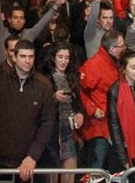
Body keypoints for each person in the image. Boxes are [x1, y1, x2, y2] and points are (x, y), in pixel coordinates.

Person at [0, 25, 56, 181]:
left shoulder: (44, 86)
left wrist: (32, 156)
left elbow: (47, 123)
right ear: (14, 57)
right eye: (23, 56)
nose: (27, 61)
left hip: (28, 162)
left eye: (31, 56)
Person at [79, 29, 125, 170]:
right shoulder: (94, 65)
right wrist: (92, 109)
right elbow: (79, 89)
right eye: (121, 45)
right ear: (112, 49)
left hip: (113, 125)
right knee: (96, 172)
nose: (124, 48)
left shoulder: (115, 62)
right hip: (99, 128)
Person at [40, 41, 84, 183]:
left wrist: (79, 113)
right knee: (51, 176)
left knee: (70, 175)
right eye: (60, 57)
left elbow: (77, 102)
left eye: (67, 57)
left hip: (69, 132)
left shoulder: (73, 76)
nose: (64, 61)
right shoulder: (44, 78)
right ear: (53, 57)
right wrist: (53, 97)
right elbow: (38, 105)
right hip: (51, 134)